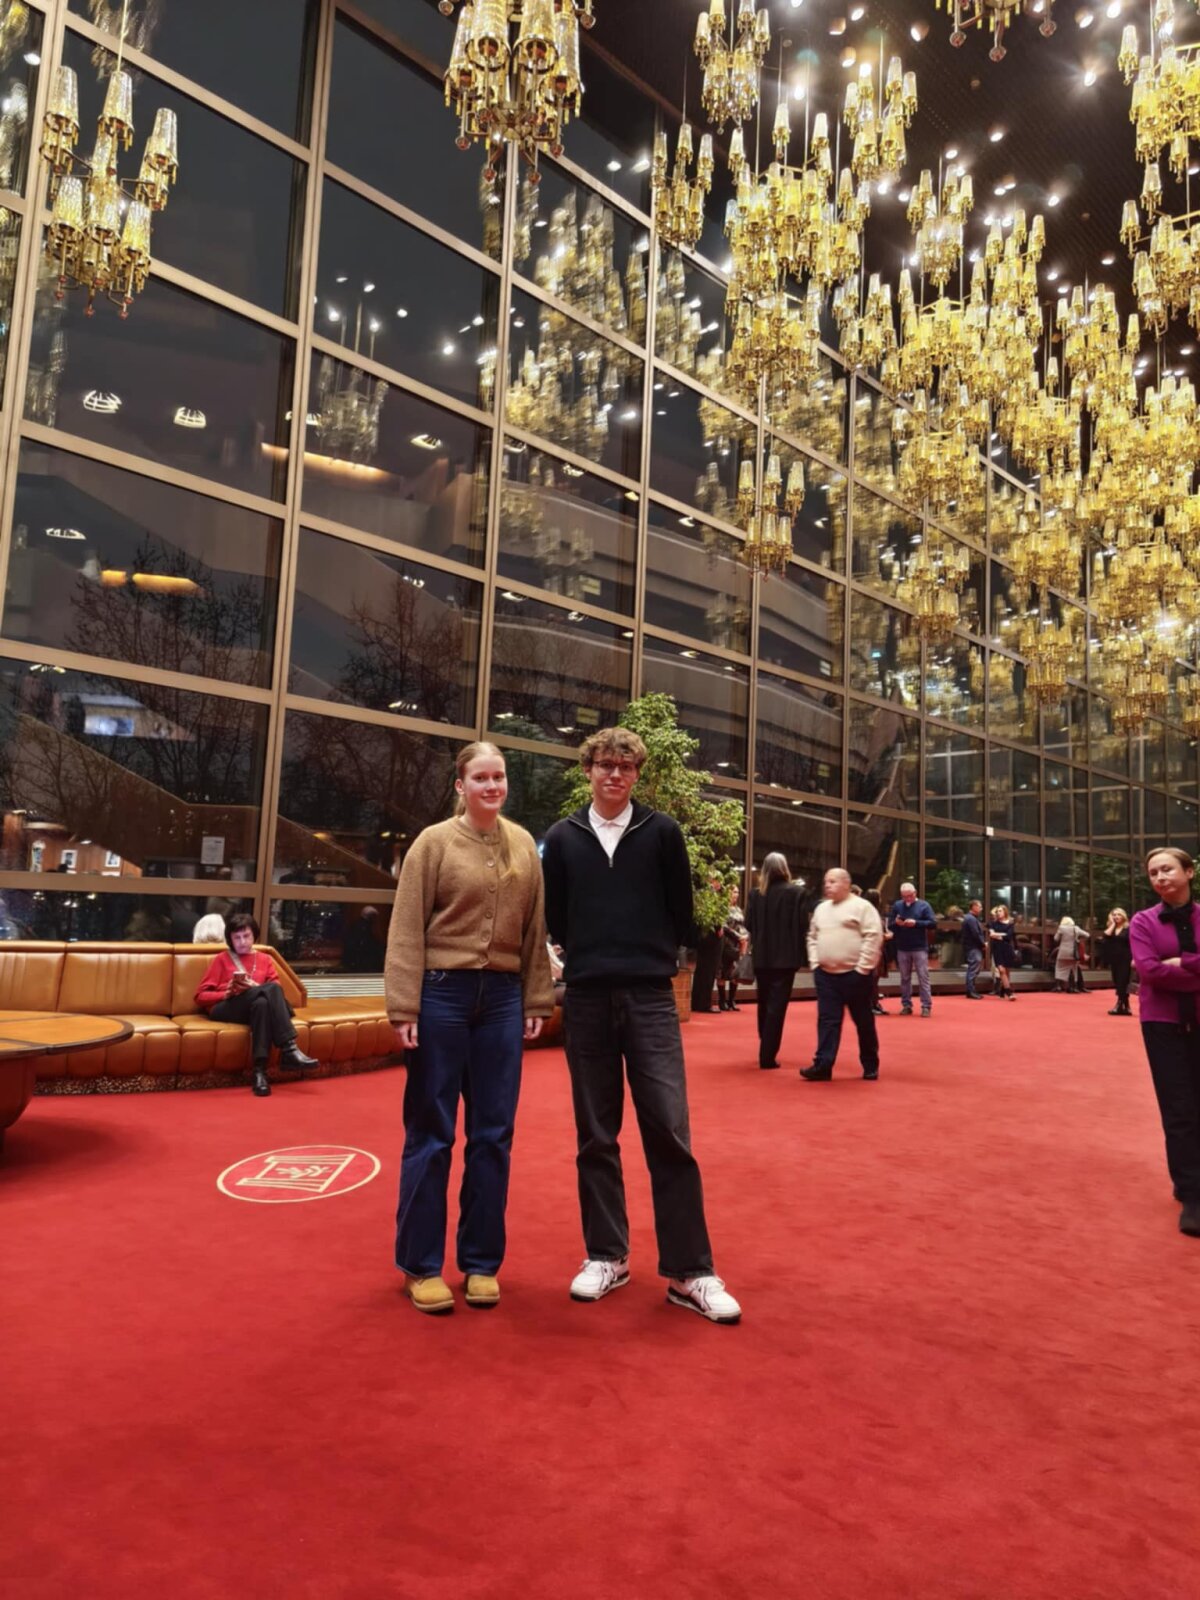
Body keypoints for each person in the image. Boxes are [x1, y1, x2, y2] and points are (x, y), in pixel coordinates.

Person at [541, 726, 741, 1325]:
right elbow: (556, 917)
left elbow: (682, 912)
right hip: (588, 998)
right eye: (605, 764)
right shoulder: (563, 838)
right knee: (595, 1135)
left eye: (626, 767)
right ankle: (607, 1256)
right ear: (588, 770)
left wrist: (647, 955)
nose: (615, 774)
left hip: (651, 997)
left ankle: (689, 1271)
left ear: (637, 775)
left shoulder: (663, 833)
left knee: (669, 1131)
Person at [384, 742, 553, 1316]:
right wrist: (404, 1006)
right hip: (441, 996)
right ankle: (421, 1265)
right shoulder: (432, 843)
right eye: (481, 777)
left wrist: (536, 995)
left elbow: (534, 930)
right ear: (460, 785)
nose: (492, 785)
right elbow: (406, 927)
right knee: (432, 1132)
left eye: (499, 776)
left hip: (503, 1000)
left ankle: (481, 1263)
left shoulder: (523, 844)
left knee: (493, 1135)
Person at [1129, 847, 1200, 1238]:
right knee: (1179, 1108)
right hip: (1162, 1023)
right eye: (1153, 872)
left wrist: (1182, 963)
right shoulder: (1142, 921)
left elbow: (1163, 969)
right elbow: (1149, 971)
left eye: (1168, 869)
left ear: (1188, 872)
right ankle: (1192, 1193)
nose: (1160, 877)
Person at [195, 912, 317, 1097]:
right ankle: (289, 1049)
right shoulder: (222, 959)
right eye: (237, 937)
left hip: (253, 1008)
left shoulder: (265, 959)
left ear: (254, 936)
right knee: (271, 990)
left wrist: (255, 987)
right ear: (230, 939)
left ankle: (260, 1073)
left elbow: (275, 991)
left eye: (246, 936)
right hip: (226, 1007)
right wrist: (226, 993)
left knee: (262, 1004)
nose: (242, 942)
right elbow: (200, 996)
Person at [801, 869, 883, 1081]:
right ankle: (823, 1065)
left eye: (833, 881)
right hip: (826, 975)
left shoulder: (862, 907)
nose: (827, 885)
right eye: (826, 881)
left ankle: (870, 1064)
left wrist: (862, 968)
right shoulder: (821, 909)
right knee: (827, 1021)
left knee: (863, 1021)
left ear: (846, 884)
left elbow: (873, 937)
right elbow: (812, 937)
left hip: (856, 976)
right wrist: (815, 963)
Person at [744, 852, 807, 1071]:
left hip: (762, 957)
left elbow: (748, 924)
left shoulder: (755, 894)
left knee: (763, 1002)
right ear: (784, 868)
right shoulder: (797, 893)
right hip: (786, 959)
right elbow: (802, 925)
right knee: (777, 1007)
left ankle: (765, 1042)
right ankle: (767, 1054)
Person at [887, 882, 936, 1016]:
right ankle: (906, 1004)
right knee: (904, 978)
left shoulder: (924, 905)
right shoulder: (898, 905)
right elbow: (890, 925)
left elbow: (932, 923)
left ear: (915, 893)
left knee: (923, 977)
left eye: (910, 896)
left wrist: (916, 923)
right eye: (904, 896)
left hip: (919, 947)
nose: (907, 899)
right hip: (902, 946)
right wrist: (897, 924)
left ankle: (926, 1006)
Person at [717, 884, 748, 1012]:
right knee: (723, 972)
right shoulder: (723, 908)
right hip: (726, 943)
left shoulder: (738, 909)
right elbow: (723, 925)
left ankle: (731, 1001)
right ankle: (722, 1001)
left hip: (738, 943)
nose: (736, 894)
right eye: (734, 892)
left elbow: (743, 925)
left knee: (735, 972)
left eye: (737, 892)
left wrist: (745, 936)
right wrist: (737, 936)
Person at [864, 888, 891, 1014]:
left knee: (874, 979)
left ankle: (874, 1003)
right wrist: (886, 936)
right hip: (873, 950)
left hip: (877, 949)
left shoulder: (871, 913)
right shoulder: (870, 914)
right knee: (872, 979)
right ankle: (871, 1005)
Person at [1104, 907, 1133, 1016]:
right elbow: (1106, 935)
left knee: (1122, 981)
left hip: (1125, 958)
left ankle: (1119, 1004)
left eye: (1118, 914)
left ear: (1123, 916)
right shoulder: (1112, 928)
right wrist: (1112, 924)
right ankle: (1126, 1006)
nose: (1116, 916)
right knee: (1116, 980)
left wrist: (1135, 958)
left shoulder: (1128, 928)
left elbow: (1133, 944)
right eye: (1114, 915)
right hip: (1114, 959)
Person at [988, 905, 1018, 1000]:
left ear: (1005, 912)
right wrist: (1002, 935)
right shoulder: (993, 923)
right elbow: (992, 935)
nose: (998, 913)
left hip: (1007, 948)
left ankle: (1002, 989)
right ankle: (1009, 993)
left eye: (1000, 911)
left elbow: (1009, 937)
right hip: (997, 948)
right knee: (1001, 970)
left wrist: (998, 935)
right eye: (997, 911)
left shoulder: (1010, 924)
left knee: (1007, 971)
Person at [1053, 916, 1086, 993]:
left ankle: (1058, 986)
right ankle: (1073, 987)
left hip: (1063, 952)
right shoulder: (1076, 928)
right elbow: (1087, 935)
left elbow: (1056, 938)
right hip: (1073, 952)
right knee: (1074, 969)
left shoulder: (1061, 928)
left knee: (1059, 968)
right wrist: (1077, 939)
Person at [962, 899, 986, 1000]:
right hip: (973, 947)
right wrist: (983, 943)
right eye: (979, 906)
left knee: (973, 968)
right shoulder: (971, 919)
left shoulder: (970, 918)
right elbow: (975, 933)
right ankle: (970, 991)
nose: (981, 909)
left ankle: (971, 990)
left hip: (972, 946)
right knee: (973, 969)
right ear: (974, 907)